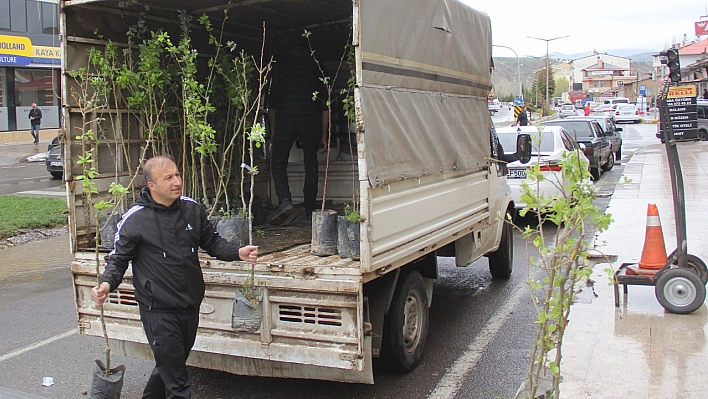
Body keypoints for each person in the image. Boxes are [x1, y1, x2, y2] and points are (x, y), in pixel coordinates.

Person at [91, 155, 258, 399]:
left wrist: (238, 252)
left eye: (177, 175)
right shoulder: (135, 219)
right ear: (152, 185)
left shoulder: (191, 209)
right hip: (158, 310)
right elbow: (118, 259)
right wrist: (107, 283)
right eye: (168, 177)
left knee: (169, 367)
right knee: (178, 383)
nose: (176, 181)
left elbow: (212, 242)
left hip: (189, 305)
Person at [268, 45, 329, 225]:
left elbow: (272, 104)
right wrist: (324, 136)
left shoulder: (279, 68)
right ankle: (310, 208)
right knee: (310, 162)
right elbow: (325, 106)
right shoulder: (317, 66)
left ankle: (285, 201)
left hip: (285, 119)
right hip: (310, 120)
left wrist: (273, 130)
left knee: (278, 163)